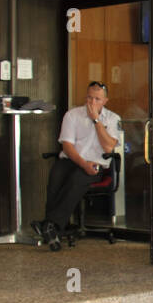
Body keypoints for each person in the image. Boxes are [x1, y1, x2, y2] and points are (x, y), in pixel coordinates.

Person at [30, 81, 119, 249]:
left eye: (97, 99)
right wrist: (82, 163)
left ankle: (50, 226)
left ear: (105, 101)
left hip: (96, 164)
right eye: (90, 98)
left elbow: (108, 146)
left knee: (77, 179)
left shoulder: (113, 119)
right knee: (57, 175)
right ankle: (52, 228)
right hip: (73, 160)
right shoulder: (72, 115)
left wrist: (96, 121)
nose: (92, 103)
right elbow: (67, 146)